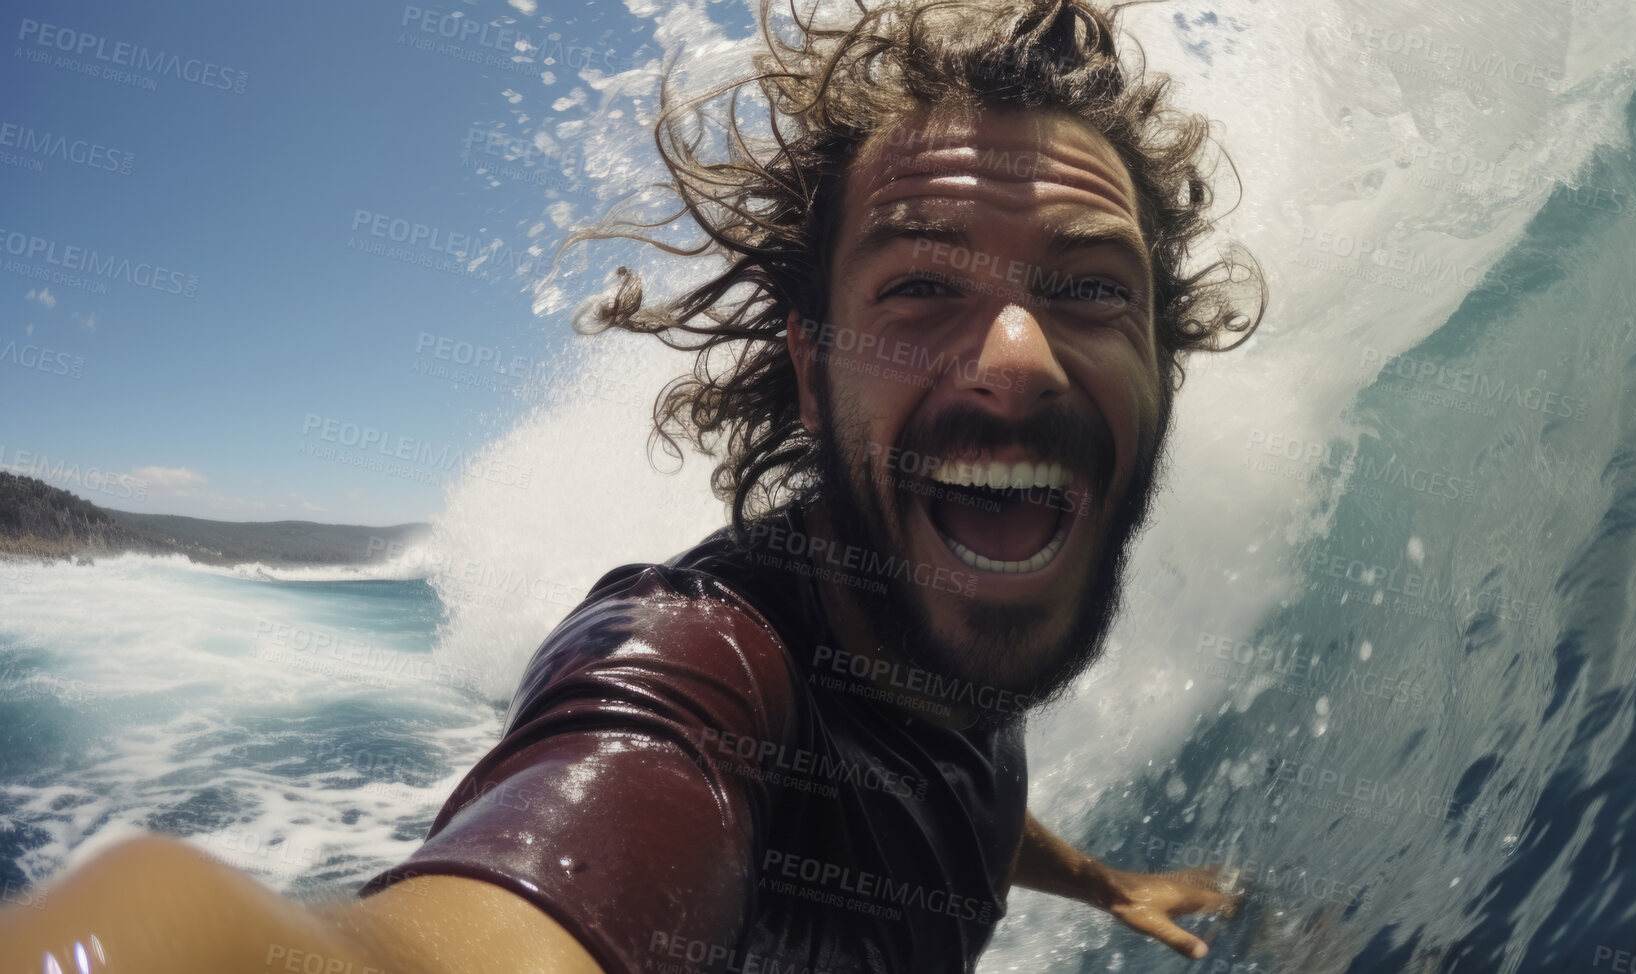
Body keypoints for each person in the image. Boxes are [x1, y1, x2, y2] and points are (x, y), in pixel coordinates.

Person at [0, 0, 1264, 971]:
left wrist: (1108, 885)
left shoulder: (959, 594)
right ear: (811, 378)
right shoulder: (701, 661)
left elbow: (964, 767)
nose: (1017, 360)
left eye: (1093, 287)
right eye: (923, 286)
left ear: (1162, 364)